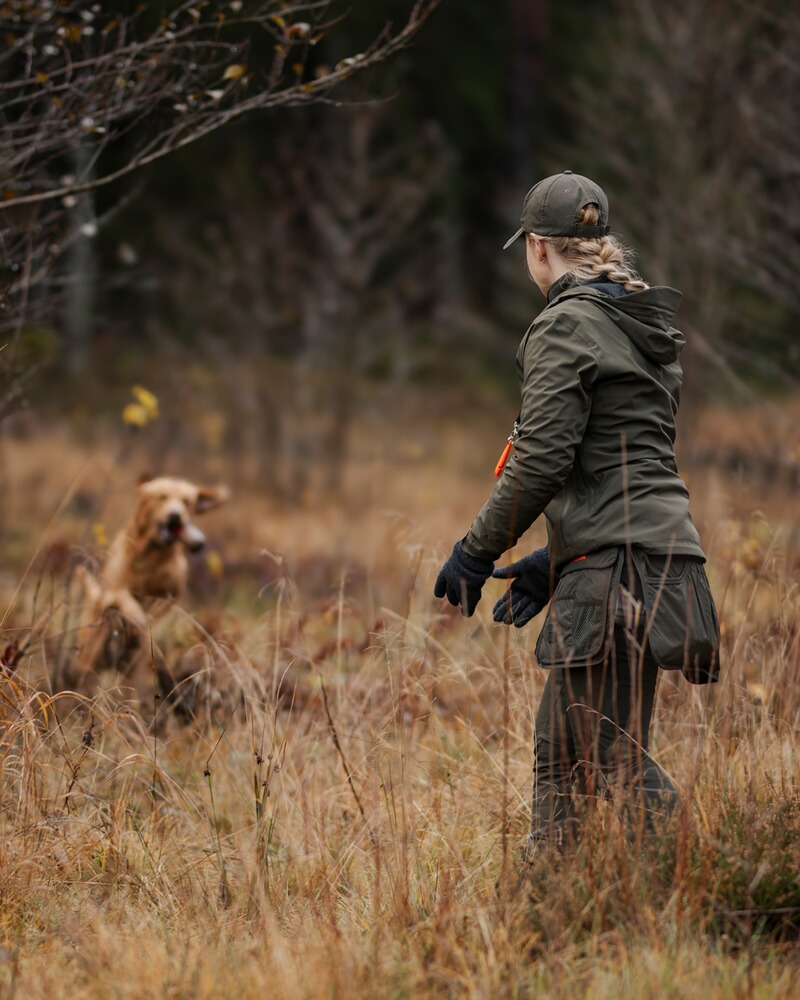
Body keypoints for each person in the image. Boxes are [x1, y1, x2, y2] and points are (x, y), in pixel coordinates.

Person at [433, 171, 720, 854]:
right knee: (564, 755)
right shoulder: (636, 321)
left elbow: (542, 459)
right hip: (661, 561)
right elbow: (624, 463)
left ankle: (705, 887)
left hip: (617, 571)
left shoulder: (565, 324)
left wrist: (477, 551)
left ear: (537, 247)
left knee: (605, 758)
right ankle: (551, 917)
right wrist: (553, 559)